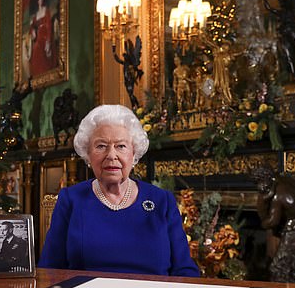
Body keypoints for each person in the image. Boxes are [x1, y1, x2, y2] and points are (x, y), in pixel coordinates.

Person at [38, 104, 200, 277]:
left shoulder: (162, 201)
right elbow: (49, 269)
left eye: (121, 146)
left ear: (134, 153)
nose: (111, 155)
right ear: (88, 154)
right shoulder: (71, 199)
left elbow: (184, 269)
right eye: (101, 146)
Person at [28, 0, 57, 76]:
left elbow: (49, 27)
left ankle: (44, 73)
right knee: (36, 49)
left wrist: (48, 41)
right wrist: (32, 30)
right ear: (37, 0)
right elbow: (32, 27)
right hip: (39, 37)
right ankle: (38, 75)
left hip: (45, 37)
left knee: (39, 48)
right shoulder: (36, 15)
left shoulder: (46, 11)